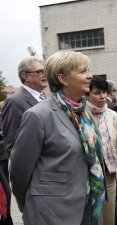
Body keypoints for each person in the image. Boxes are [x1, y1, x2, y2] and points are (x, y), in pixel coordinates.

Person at [10, 51, 105, 225]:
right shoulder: (38, 115)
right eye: (82, 71)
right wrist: (29, 205)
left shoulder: (85, 111)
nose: (90, 75)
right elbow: (19, 170)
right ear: (63, 79)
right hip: (51, 211)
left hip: (87, 205)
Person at [85, 76, 117, 225]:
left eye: (105, 92)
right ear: (86, 95)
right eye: (97, 92)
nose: (102, 96)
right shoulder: (80, 114)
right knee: (90, 217)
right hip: (87, 175)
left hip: (109, 174)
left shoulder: (112, 114)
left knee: (108, 219)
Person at [1, 57, 47, 180]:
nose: (44, 75)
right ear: (25, 76)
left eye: (44, 71)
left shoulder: (43, 98)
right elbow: (12, 143)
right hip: (36, 175)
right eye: (39, 72)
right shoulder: (14, 101)